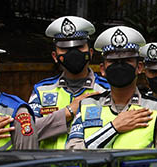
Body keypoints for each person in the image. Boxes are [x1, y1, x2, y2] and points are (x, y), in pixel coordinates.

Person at [66, 27, 157, 150]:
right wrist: (113, 128)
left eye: (127, 60)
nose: (119, 66)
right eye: (113, 61)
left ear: (139, 67)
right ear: (102, 69)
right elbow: (72, 152)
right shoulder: (86, 105)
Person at [29, 16, 109, 150]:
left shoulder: (106, 90)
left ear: (90, 53)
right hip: (50, 162)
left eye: (79, 47)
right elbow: (27, 131)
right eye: (65, 48)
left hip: (90, 162)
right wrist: (68, 112)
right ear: (55, 56)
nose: (73, 52)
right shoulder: (42, 90)